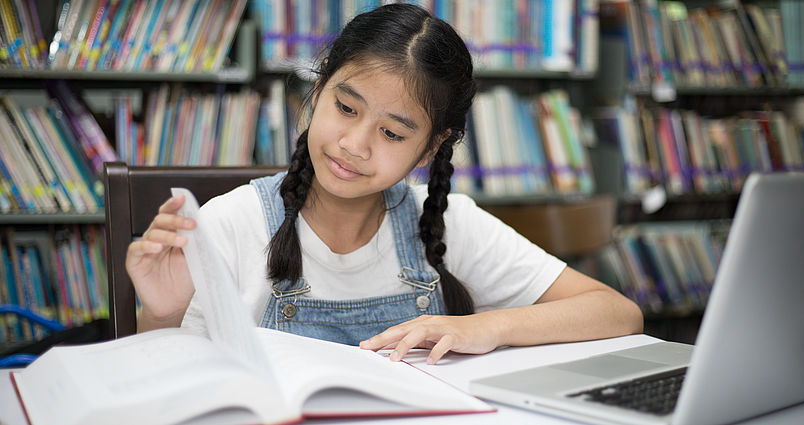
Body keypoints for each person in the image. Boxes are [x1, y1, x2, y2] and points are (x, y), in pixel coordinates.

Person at [126, 3, 643, 365]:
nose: (355, 143)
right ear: (320, 85)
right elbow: (165, 383)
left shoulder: (444, 222)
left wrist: (487, 326)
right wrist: (160, 313)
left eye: (393, 132)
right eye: (345, 107)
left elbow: (618, 312)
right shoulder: (232, 222)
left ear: (431, 146)